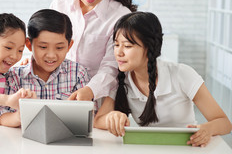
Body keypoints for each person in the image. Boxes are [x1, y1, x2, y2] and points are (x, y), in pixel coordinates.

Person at [93, 11, 232, 147]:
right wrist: (112, 118)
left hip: (187, 147)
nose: (119, 52)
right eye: (116, 45)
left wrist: (207, 129)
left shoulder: (182, 74)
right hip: (148, 148)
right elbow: (98, 120)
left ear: (149, 47)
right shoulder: (120, 80)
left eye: (128, 46)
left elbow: (224, 123)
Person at [50, 0, 137, 102]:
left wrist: (90, 90)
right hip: (54, 92)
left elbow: (112, 66)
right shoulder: (60, 3)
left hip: (96, 99)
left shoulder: (121, 16)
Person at [0, 9, 90, 127]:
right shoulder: (14, 76)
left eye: (59, 48)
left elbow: (88, 116)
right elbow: (1, 115)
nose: (51, 55)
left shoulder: (78, 74)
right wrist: (19, 116)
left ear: (69, 45)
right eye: (43, 47)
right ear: (29, 45)